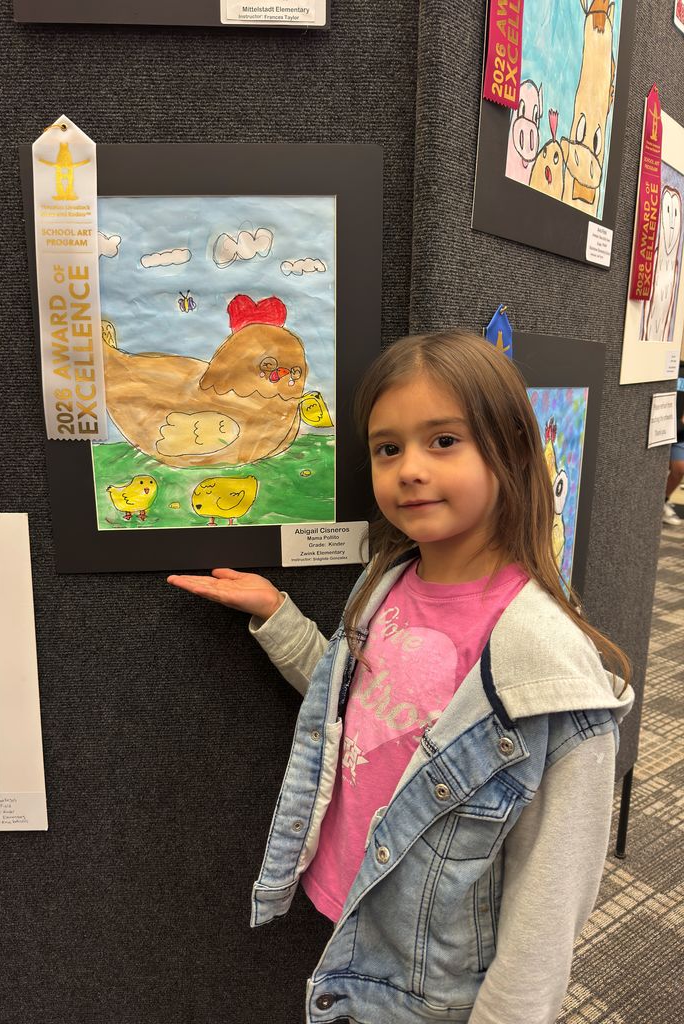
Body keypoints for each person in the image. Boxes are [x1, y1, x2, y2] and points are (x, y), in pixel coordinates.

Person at [168, 331, 634, 1024]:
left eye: (443, 441)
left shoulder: (549, 671)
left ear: (510, 449)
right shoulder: (384, 583)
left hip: (438, 976)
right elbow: (359, 704)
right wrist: (278, 616)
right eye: (388, 448)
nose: (410, 469)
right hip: (356, 906)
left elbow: (551, 901)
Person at [662, 363, 684, 526]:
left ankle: (662, 502)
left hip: (680, 432)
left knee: (679, 469)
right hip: (660, 425)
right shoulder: (675, 367)